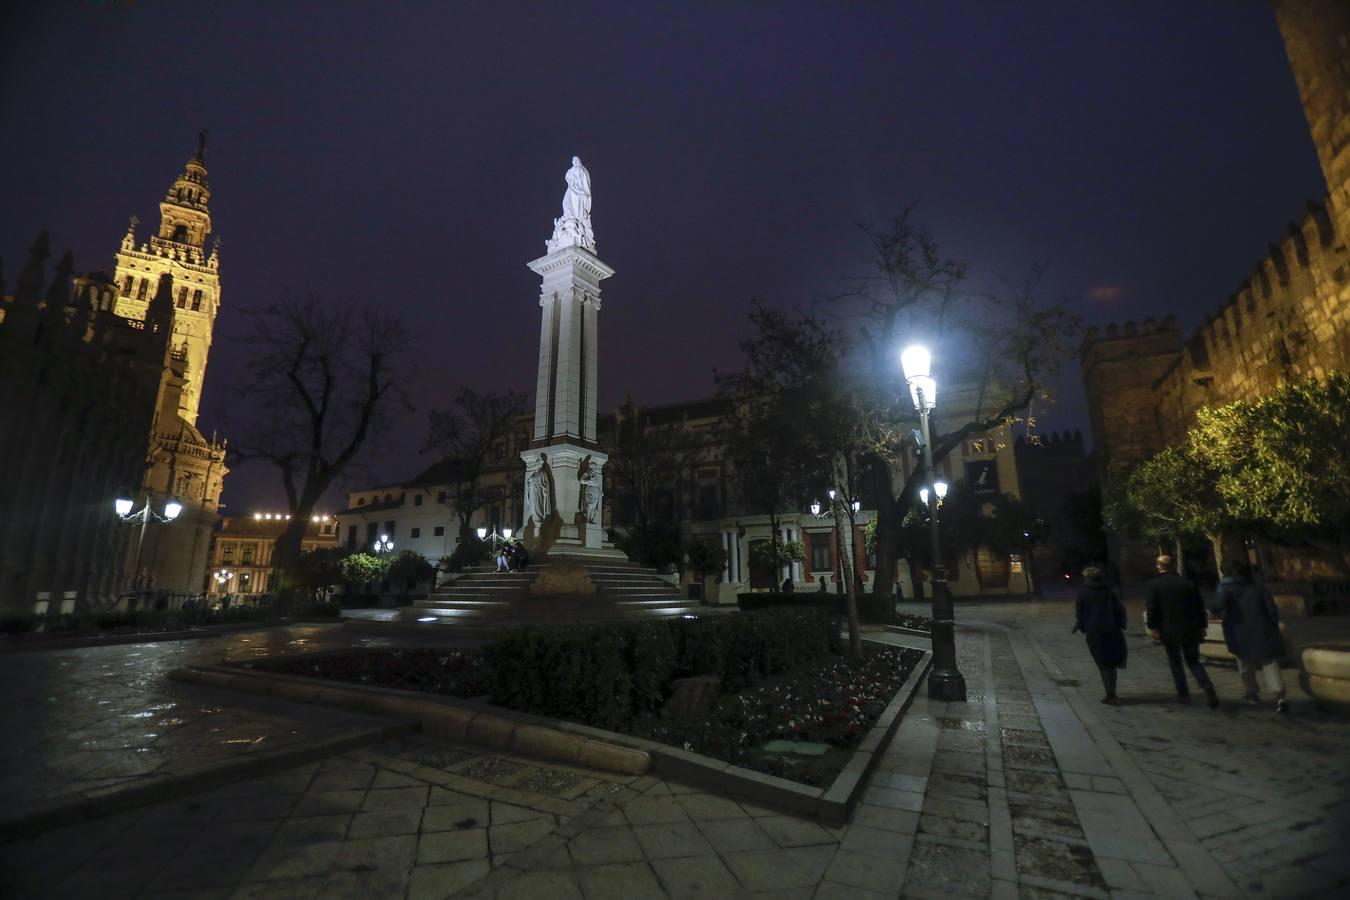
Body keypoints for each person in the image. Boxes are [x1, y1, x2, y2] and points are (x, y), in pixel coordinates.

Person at [1146, 555, 1219, 708]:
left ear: (1159, 567)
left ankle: (1183, 693)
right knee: (1193, 661)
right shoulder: (1187, 583)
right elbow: (1199, 606)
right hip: (1190, 628)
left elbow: (1152, 608)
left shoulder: (1155, 585)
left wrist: (1153, 626)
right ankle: (1206, 686)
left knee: (1175, 662)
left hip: (1168, 630)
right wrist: (1202, 626)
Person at [1215, 560, 1288, 713]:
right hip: (1263, 629)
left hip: (1238, 630)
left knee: (1244, 662)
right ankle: (1279, 696)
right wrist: (1273, 625)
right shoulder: (1260, 587)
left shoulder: (1225, 588)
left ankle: (1252, 693)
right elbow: (1272, 611)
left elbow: (1219, 606)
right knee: (1269, 662)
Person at [1074, 565, 1128, 705]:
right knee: (1111, 663)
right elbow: (1120, 609)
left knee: (1103, 664)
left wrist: (1083, 627)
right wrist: (1121, 624)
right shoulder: (1109, 591)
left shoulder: (1083, 593)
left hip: (1095, 632)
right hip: (1112, 630)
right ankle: (1112, 691)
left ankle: (1110, 694)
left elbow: (1080, 614)